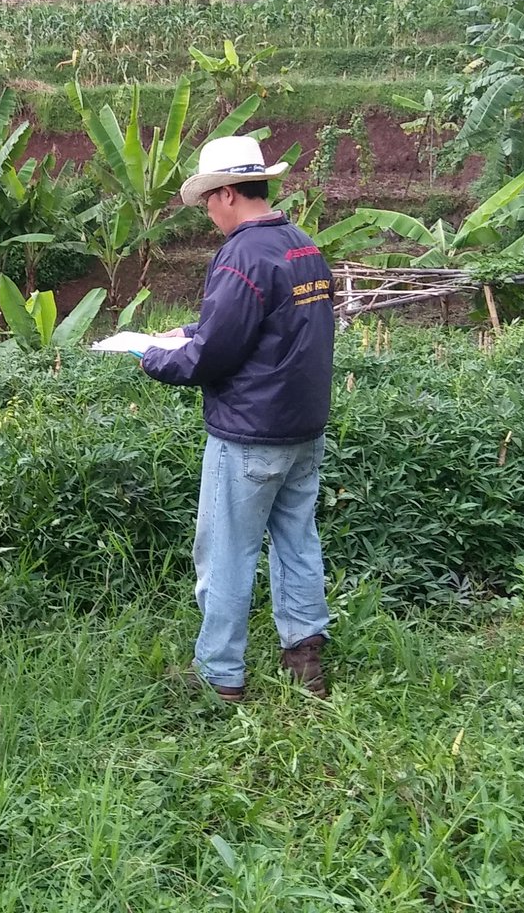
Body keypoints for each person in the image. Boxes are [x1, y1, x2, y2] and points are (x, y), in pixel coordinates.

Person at [140, 136, 336, 701]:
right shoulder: (301, 245)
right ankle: (305, 657)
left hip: (250, 433)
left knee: (226, 551)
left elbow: (215, 356)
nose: (208, 213)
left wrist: (151, 355)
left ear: (227, 193)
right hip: (303, 428)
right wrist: (191, 332)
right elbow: (273, 329)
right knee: (297, 538)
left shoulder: (241, 255)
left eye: (207, 201)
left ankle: (221, 674)